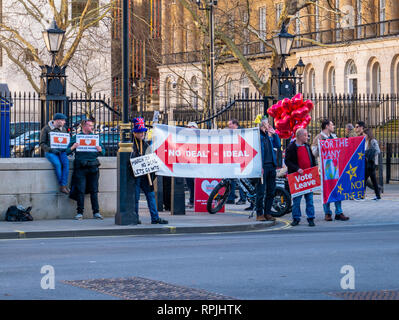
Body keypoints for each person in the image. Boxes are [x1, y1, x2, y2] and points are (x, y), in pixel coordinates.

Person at [130, 117, 168, 224]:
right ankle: (135, 217)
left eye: (143, 132)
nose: (142, 134)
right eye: (140, 132)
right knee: (136, 197)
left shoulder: (146, 144)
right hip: (136, 176)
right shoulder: (131, 144)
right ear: (135, 133)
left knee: (151, 196)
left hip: (146, 176)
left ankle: (155, 218)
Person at [67, 119, 105, 220]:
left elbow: (104, 152)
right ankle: (80, 213)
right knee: (80, 190)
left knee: (94, 190)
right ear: (84, 126)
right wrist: (73, 147)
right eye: (90, 125)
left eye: (92, 125)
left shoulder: (95, 138)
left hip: (93, 167)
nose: (92, 127)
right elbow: (66, 151)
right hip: (81, 167)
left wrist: (100, 150)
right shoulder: (76, 137)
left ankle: (96, 212)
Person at [311, 119, 349, 221]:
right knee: (326, 190)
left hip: (336, 167)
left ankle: (339, 212)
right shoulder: (318, 138)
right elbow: (314, 152)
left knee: (338, 189)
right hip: (325, 168)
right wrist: (321, 147)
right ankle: (327, 213)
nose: (333, 126)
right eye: (332, 125)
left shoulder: (335, 137)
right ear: (327, 126)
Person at [285, 128, 317, 227]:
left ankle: (311, 218)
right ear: (300, 136)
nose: (307, 137)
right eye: (306, 135)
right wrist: (297, 168)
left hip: (308, 177)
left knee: (310, 200)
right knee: (296, 200)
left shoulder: (307, 146)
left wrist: (314, 169)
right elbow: (287, 161)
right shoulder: (291, 147)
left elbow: (312, 158)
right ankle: (296, 218)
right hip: (297, 178)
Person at [255, 117, 281, 221]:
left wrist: (274, 134)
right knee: (261, 192)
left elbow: (278, 145)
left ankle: (267, 213)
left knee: (271, 191)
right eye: (266, 123)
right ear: (262, 125)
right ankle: (259, 213)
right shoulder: (258, 136)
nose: (269, 125)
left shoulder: (269, 137)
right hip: (262, 167)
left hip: (271, 166)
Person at [40, 113, 70, 194]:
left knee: (66, 164)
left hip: (61, 151)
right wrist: (51, 150)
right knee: (57, 164)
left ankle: (63, 185)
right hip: (51, 152)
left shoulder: (63, 129)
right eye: (63, 120)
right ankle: (63, 186)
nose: (64, 122)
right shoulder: (46, 129)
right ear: (57, 120)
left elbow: (65, 141)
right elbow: (42, 144)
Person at [226, 119, 247, 205]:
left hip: (241, 159)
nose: (229, 126)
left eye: (230, 124)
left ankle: (243, 199)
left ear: (235, 124)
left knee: (241, 180)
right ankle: (231, 198)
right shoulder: (230, 133)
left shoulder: (243, 132)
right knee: (231, 179)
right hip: (232, 158)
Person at [364, 128, 381, 201]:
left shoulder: (373, 141)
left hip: (371, 163)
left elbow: (377, 151)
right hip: (366, 163)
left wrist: (370, 154)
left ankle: (362, 195)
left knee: (364, 179)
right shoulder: (365, 141)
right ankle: (378, 195)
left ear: (368, 134)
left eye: (365, 135)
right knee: (372, 180)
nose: (364, 136)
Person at [185, 121, 198, 208]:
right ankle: (192, 200)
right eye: (188, 127)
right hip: (188, 163)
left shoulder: (200, 137)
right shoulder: (185, 138)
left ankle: (195, 200)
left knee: (196, 183)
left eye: (191, 127)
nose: (189, 129)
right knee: (190, 183)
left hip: (197, 164)